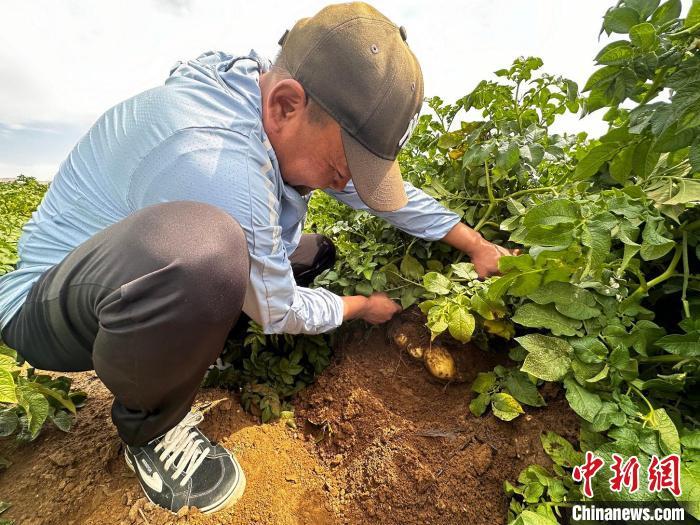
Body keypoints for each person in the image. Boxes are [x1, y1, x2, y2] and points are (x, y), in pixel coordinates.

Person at [0, 2, 511, 515]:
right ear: (286, 105)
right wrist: (359, 306)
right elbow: (277, 309)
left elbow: (386, 197)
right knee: (209, 250)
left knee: (313, 252)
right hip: (49, 310)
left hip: (127, 285)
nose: (344, 184)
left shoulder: (264, 101)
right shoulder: (217, 161)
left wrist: (477, 246)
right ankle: (151, 428)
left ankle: (199, 345)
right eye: (341, 168)